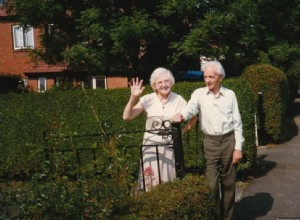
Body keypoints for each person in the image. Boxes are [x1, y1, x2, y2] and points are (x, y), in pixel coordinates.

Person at [172, 60, 243, 220]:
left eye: (211, 77)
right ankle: (214, 216)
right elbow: (191, 108)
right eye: (205, 77)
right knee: (211, 185)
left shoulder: (230, 95)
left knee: (229, 184)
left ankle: (227, 217)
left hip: (228, 141)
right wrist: (182, 115)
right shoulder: (198, 94)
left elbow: (237, 123)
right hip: (210, 143)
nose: (207, 80)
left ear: (220, 77)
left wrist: (238, 147)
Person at [123, 67, 196, 192]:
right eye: (159, 82)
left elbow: (194, 117)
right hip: (150, 147)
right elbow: (126, 116)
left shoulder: (179, 100)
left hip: (170, 147)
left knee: (170, 180)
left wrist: (181, 133)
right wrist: (132, 98)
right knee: (149, 182)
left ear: (171, 82)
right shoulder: (147, 99)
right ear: (154, 86)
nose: (163, 85)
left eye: (166, 81)